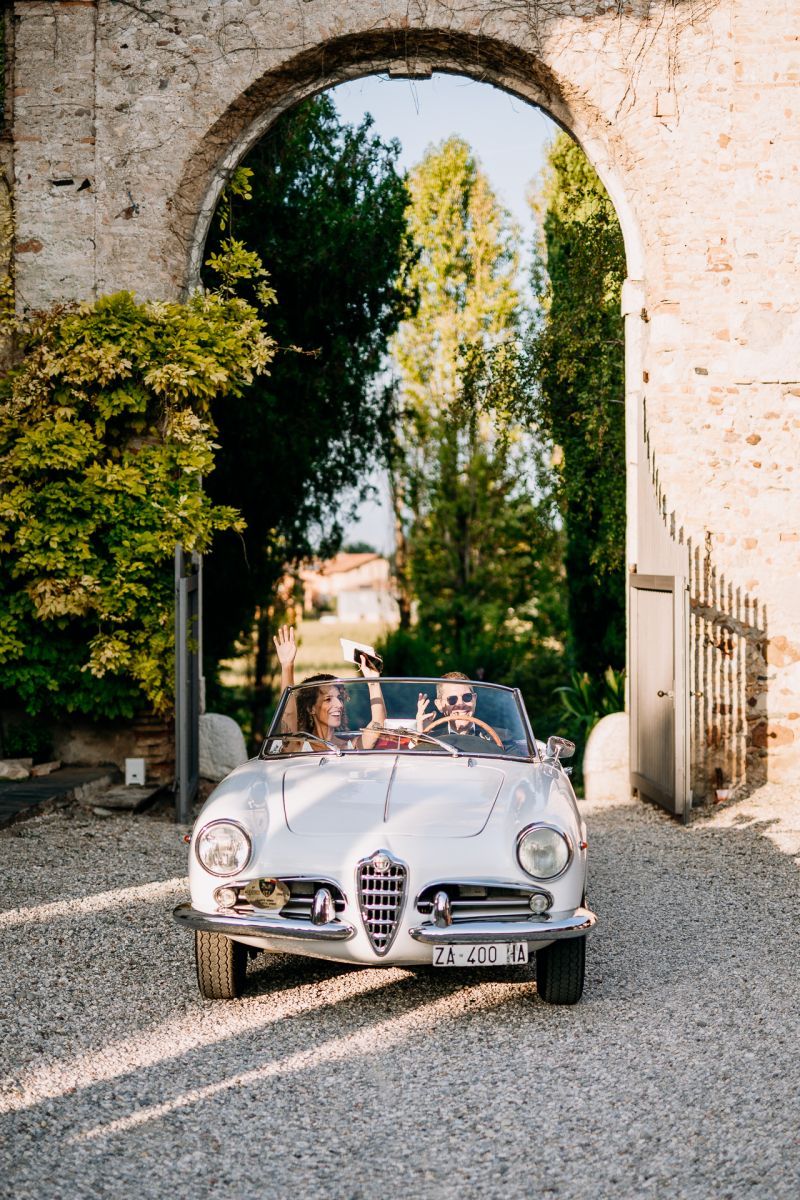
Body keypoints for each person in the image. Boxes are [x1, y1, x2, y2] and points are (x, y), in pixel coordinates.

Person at [272, 624, 386, 750]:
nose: (339, 705)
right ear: (311, 708)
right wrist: (287, 665)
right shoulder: (298, 745)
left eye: (340, 698)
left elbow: (378, 724)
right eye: (328, 699)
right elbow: (288, 715)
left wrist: (373, 680)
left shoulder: (349, 747)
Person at [415, 671, 492, 740]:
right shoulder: (432, 740)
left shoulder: (500, 738)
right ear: (439, 705)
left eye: (467, 697)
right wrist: (421, 735)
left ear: (474, 699)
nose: (460, 704)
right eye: (452, 699)